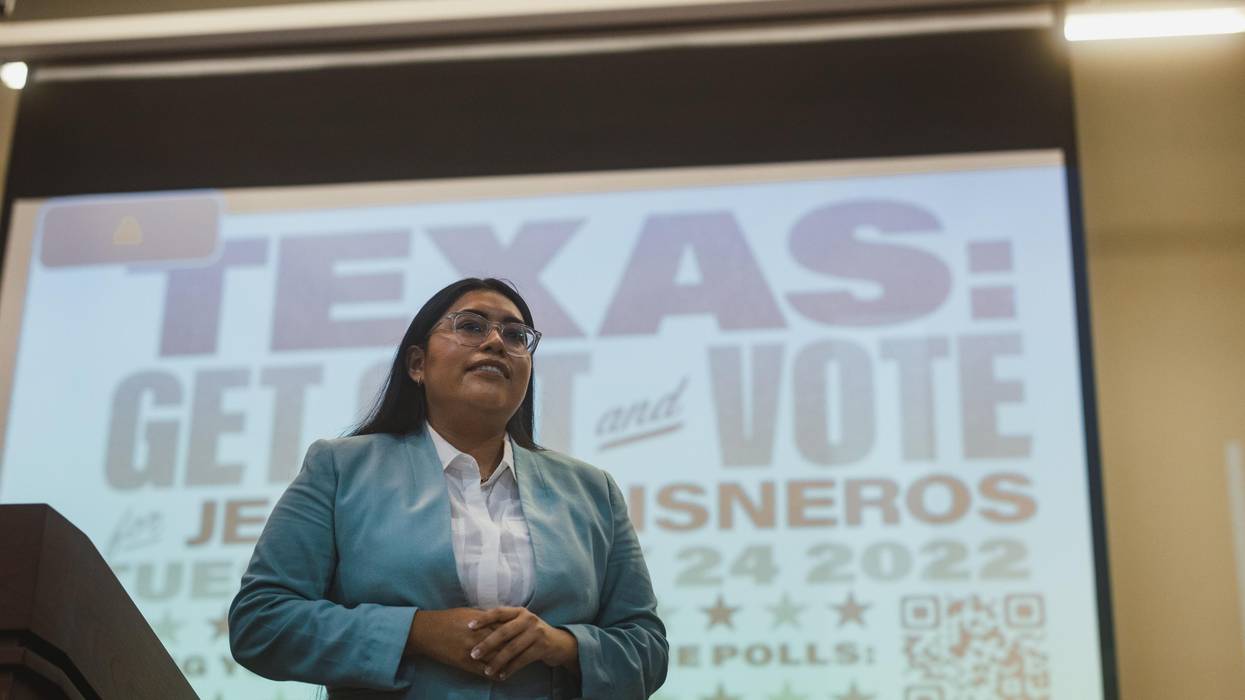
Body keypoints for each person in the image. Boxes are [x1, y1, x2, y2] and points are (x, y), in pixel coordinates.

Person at [228, 278, 668, 699]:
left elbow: (648, 649)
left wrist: (563, 645)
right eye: (472, 326)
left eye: (516, 336)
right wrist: (416, 633)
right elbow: (261, 622)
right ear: (417, 364)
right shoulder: (340, 468)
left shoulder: (592, 490)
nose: (497, 342)